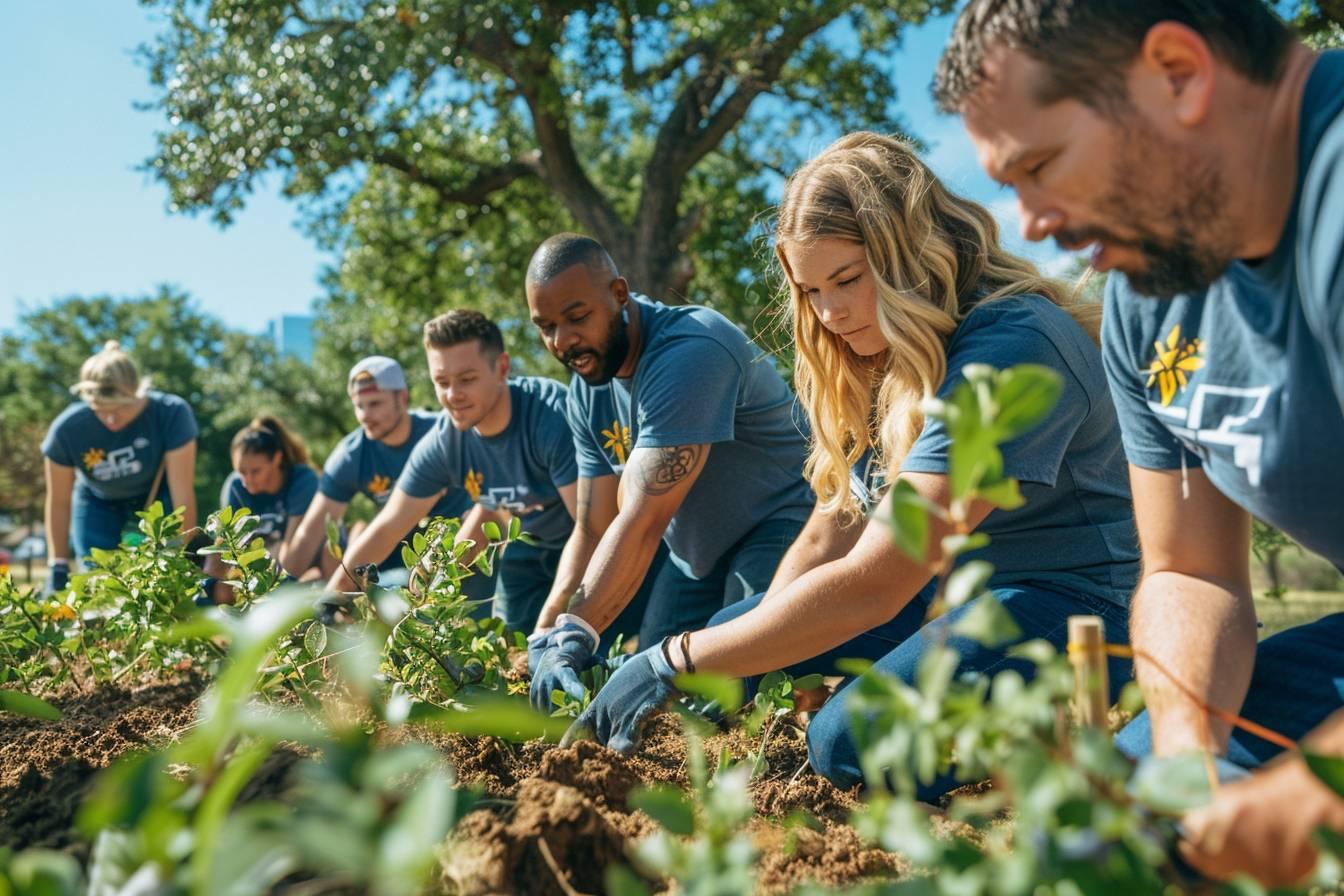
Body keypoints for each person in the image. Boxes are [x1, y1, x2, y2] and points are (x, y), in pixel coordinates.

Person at [567, 133, 1141, 801]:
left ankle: (1046, 750)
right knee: (735, 638)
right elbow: (826, 535)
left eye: (847, 279)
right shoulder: (888, 347)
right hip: (950, 595)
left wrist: (671, 660)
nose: (830, 313)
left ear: (909, 253)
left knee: (848, 743)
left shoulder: (1012, 347)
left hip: (1080, 611)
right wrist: (746, 668)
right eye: (810, 290)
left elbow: (877, 585)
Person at [933, 0, 1344, 884]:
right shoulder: (1150, 288)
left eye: (1041, 165)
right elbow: (1190, 569)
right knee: (1095, 832)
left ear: (1179, 75)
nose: (1032, 224)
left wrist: (1305, 803)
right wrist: (1185, 762)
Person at [524, 233, 817, 712]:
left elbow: (642, 520)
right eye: (545, 326)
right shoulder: (586, 389)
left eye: (577, 318)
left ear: (619, 294)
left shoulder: (689, 350)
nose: (562, 341)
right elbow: (593, 525)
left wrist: (577, 633)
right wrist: (548, 631)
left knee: (727, 695)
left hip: (783, 522)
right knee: (646, 697)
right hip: (694, 553)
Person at [326, 311, 578, 633]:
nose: (452, 395)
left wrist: (550, 624)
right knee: (515, 656)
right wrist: (330, 603)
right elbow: (388, 526)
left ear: (502, 368)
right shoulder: (446, 441)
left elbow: (593, 527)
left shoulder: (550, 417)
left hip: (589, 543)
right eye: (441, 382)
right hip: (528, 550)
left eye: (467, 379)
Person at [286, 356, 493, 597]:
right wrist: (275, 596)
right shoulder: (352, 455)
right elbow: (309, 533)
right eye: (358, 405)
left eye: (374, 404)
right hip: (391, 560)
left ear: (402, 398)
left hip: (462, 552)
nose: (364, 415)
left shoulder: (444, 435)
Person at [41, 341, 198, 593]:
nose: (111, 419)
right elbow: (58, 501)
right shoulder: (66, 431)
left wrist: (176, 558)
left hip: (156, 496)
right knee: (97, 584)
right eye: (101, 410)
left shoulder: (171, 414)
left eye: (122, 408)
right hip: (96, 501)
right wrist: (57, 564)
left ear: (139, 393)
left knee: (159, 583)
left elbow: (183, 494)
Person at [205, 415, 323, 600]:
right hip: (263, 564)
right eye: (241, 471)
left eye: (256, 471)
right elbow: (225, 543)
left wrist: (271, 594)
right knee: (219, 584)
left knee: (319, 573)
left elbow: (294, 545)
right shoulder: (235, 486)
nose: (248, 480)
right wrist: (210, 584)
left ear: (277, 459)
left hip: (304, 559)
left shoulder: (302, 480)